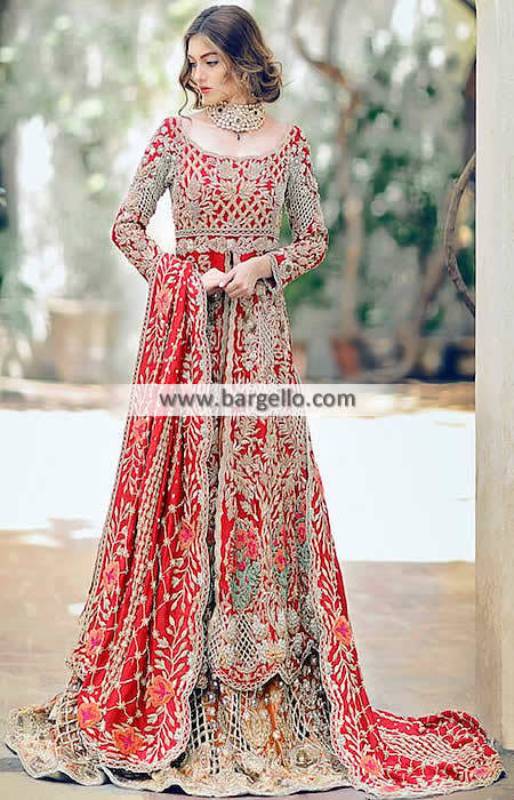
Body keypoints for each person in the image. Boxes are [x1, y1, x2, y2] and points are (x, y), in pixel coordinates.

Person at [4, 4, 506, 798]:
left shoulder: (287, 142)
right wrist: (182, 280)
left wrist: (263, 266)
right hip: (188, 338)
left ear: (244, 61)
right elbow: (127, 226)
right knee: (184, 493)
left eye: (210, 60)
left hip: (259, 337)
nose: (195, 74)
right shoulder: (174, 137)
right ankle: (179, 682)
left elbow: (313, 238)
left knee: (261, 494)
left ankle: (267, 694)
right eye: (191, 61)